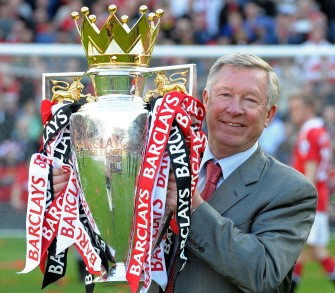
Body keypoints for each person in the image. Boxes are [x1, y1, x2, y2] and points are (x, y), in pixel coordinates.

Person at [53, 53, 317, 292]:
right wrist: (77, 191)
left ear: (269, 114)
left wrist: (192, 208)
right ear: (205, 100)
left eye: (250, 100)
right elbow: (117, 228)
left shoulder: (290, 189)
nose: (234, 109)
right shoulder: (158, 163)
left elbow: (263, 273)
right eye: (225, 95)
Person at [288, 93, 335, 292]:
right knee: (305, 251)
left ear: (307, 109)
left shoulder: (309, 132)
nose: (292, 113)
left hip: (312, 199)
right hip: (321, 197)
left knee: (312, 249)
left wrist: (302, 199)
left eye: (296, 108)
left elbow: (311, 168)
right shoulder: (321, 131)